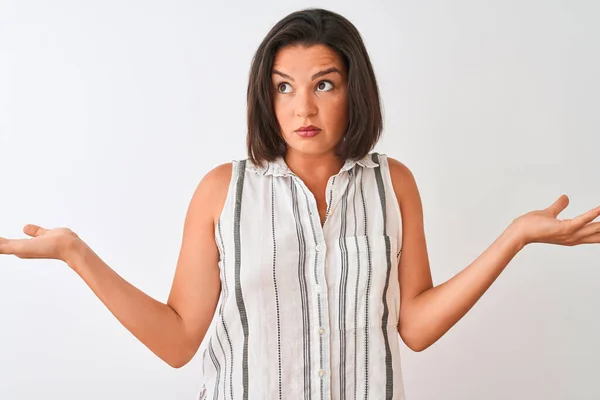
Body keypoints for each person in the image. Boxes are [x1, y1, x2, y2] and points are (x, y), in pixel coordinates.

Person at [1, 7, 599, 400]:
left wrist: (514, 237)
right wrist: (75, 253)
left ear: (352, 89)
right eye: (284, 86)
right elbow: (179, 339)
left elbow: (414, 326)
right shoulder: (221, 191)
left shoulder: (395, 184)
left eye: (324, 84)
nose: (302, 108)